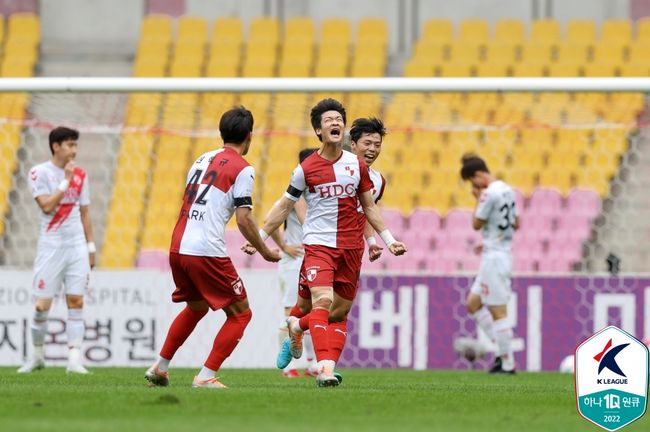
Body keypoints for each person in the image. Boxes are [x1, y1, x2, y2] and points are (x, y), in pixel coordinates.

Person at [243, 99, 407, 387]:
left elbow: (368, 209)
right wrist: (261, 237)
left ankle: (295, 327)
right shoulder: (306, 169)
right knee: (323, 301)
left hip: (350, 249)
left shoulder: (358, 169)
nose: (335, 123)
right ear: (318, 130)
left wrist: (385, 240)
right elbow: (284, 206)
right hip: (318, 246)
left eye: (338, 119)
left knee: (336, 312)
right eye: (329, 120)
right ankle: (325, 370)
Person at [144, 106, 280, 389]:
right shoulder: (244, 168)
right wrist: (265, 250)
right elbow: (244, 219)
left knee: (196, 306)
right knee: (241, 313)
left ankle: (160, 367)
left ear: (222, 132)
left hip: (178, 245)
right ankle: (206, 376)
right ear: (250, 136)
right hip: (205, 249)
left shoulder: (200, 159)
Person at [18, 126, 95, 374]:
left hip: (76, 247)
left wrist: (90, 246)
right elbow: (47, 207)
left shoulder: (82, 174)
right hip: (50, 247)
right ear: (56, 146)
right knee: (42, 305)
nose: (74, 150)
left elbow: (84, 212)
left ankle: (74, 360)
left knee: (76, 300)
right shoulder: (38, 173)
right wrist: (65, 182)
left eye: (76, 145)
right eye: (70, 145)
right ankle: (37, 357)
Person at [460, 154, 519, 374]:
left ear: (478, 175)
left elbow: (476, 224)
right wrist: (490, 241)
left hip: (495, 259)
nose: (473, 187)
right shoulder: (508, 190)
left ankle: (508, 363)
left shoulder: (488, 194)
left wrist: (477, 198)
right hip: (496, 252)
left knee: (498, 312)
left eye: (472, 183)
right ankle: (502, 351)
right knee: (473, 304)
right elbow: (517, 223)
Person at [269, 148, 318, 378]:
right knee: (292, 312)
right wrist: (284, 247)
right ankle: (288, 367)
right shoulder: (294, 194)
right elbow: (271, 220)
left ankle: (312, 363)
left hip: (311, 258)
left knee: (310, 312)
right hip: (293, 260)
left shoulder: (317, 194)